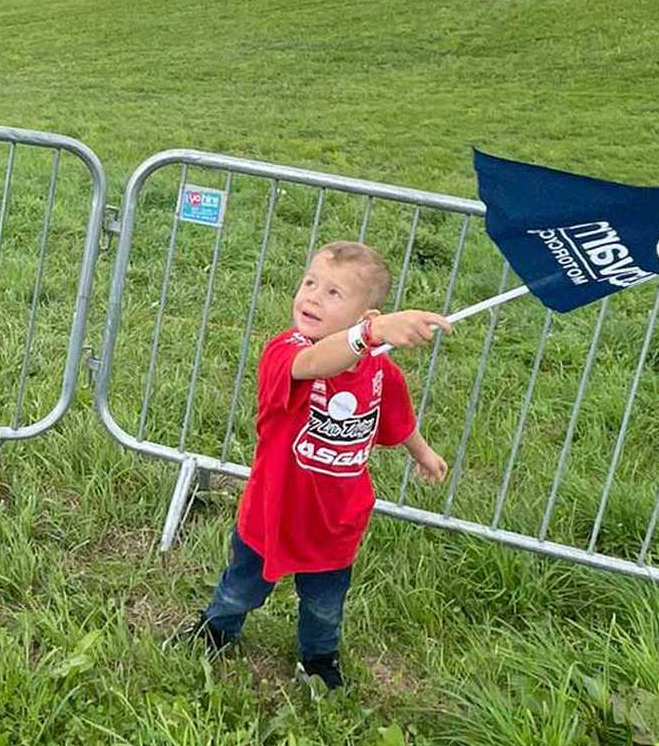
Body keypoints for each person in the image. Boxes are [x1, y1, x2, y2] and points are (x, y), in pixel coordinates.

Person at [173, 242, 452, 692]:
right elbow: (315, 363)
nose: (313, 297)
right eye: (309, 283)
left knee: (324, 605)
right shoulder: (287, 352)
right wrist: (372, 335)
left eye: (334, 293)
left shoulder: (382, 376)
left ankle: (318, 660)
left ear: (366, 314)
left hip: (335, 522)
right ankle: (217, 629)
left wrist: (423, 453)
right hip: (273, 512)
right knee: (240, 587)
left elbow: (397, 422)